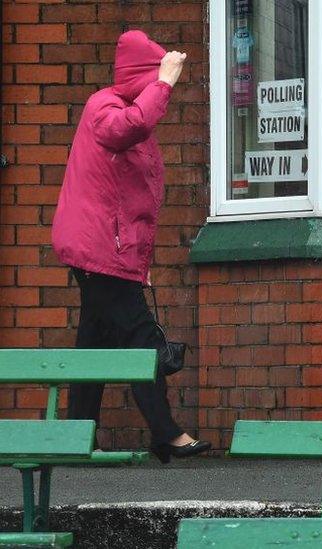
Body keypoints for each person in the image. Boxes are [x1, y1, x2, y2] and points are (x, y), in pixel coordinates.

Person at [51, 30, 210, 463]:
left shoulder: (124, 109)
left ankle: (77, 436)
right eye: (155, 74)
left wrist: (139, 262)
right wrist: (165, 82)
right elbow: (132, 126)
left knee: (95, 344)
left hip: (109, 250)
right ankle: (165, 431)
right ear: (143, 74)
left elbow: (128, 198)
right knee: (141, 339)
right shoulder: (105, 106)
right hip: (98, 250)